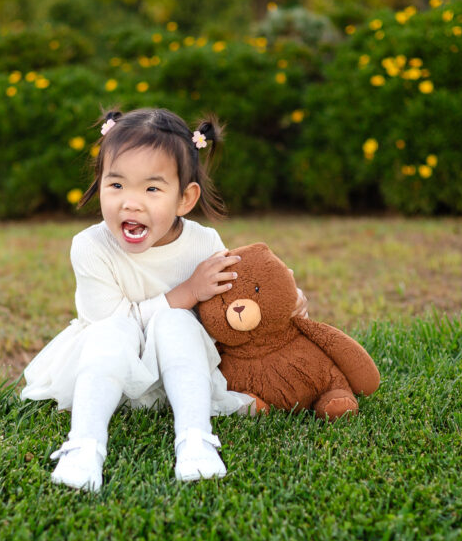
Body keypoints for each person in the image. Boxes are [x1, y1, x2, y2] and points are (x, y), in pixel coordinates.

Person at [21, 107, 304, 492]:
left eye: (152, 189)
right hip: (107, 368)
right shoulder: (90, 247)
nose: (130, 203)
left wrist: (285, 304)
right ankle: (84, 445)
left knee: (176, 321)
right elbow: (108, 321)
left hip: (179, 364)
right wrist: (186, 293)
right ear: (99, 183)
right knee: (114, 330)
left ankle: (195, 438)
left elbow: (234, 304)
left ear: (185, 199)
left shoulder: (204, 244)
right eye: (116, 185)